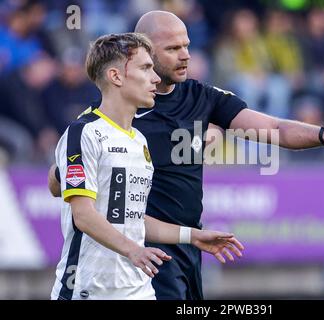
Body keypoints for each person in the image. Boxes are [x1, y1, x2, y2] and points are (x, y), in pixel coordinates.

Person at [50, 11, 324, 300]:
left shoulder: (200, 97)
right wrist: (75, 162)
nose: (185, 56)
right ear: (144, 51)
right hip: (139, 253)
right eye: (173, 49)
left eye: (187, 46)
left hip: (187, 242)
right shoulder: (106, 120)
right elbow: (65, 185)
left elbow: (272, 127)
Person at [51, 32, 243, 300]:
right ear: (116, 77)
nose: (155, 78)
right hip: (88, 290)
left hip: (138, 290)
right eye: (145, 68)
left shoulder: (138, 140)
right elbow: (83, 215)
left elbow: (131, 219)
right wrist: (133, 250)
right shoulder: (85, 133)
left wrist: (193, 236)